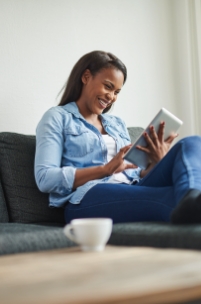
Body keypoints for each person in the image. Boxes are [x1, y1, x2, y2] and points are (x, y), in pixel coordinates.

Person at [34, 50, 201, 225]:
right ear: (86, 76)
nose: (111, 97)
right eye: (108, 86)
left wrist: (157, 161)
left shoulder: (116, 123)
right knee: (169, 196)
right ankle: (191, 205)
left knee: (192, 143)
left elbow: (134, 173)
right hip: (86, 199)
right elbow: (45, 178)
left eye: (117, 92)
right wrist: (105, 170)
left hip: (132, 189)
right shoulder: (57, 117)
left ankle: (192, 201)